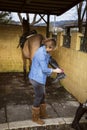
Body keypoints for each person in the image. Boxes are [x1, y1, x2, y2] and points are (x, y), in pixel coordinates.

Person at [28, 38, 63, 125]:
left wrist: (57, 68)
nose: (53, 50)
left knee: (43, 96)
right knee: (38, 97)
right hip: (36, 79)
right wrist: (56, 71)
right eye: (53, 48)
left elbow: (49, 58)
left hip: (40, 78)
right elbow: (44, 69)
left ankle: (43, 114)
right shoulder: (41, 54)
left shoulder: (44, 49)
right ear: (50, 47)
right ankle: (35, 118)